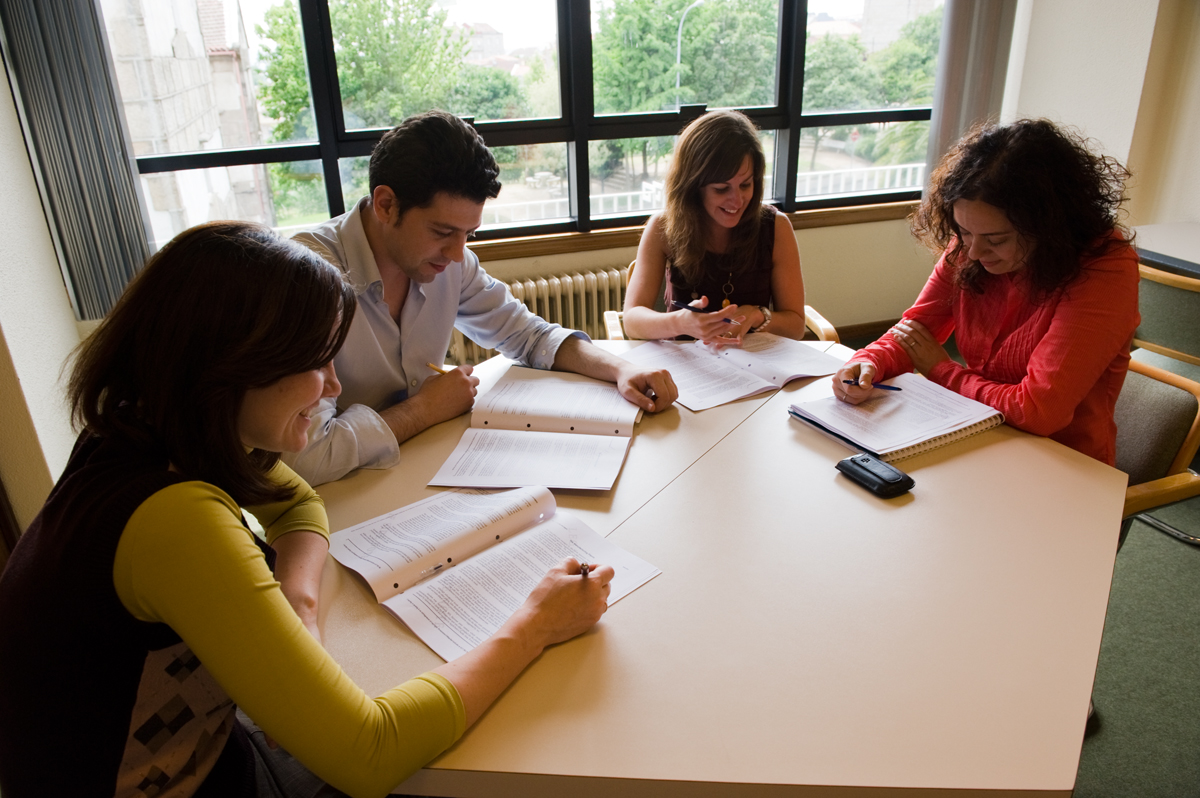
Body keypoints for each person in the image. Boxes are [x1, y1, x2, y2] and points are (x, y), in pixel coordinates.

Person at [0, 222, 615, 798]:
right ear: (233, 368)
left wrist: (297, 603)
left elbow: (295, 502)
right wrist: (535, 624)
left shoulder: (149, 426)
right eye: (314, 362)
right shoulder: (179, 521)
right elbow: (368, 754)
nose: (333, 386)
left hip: (205, 745)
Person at [286, 110, 678, 486]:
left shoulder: (450, 262)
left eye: (468, 235)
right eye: (442, 232)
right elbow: (307, 456)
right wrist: (424, 409)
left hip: (420, 469)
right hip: (339, 499)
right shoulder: (304, 277)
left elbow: (529, 336)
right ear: (387, 204)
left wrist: (620, 370)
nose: (458, 255)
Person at [833, 119, 1140, 466]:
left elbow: (1039, 411)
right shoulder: (972, 242)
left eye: (997, 240)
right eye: (963, 231)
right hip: (980, 434)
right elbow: (913, 333)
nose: (974, 252)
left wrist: (941, 370)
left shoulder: (1104, 268)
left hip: (1062, 462)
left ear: (1050, 227)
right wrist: (867, 362)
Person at [620, 110, 807, 345]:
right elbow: (632, 320)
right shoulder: (663, 227)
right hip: (685, 365)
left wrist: (759, 316)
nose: (737, 201)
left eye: (746, 185)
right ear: (693, 186)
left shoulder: (775, 227)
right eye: (721, 189)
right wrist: (680, 322)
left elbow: (796, 326)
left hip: (755, 365)